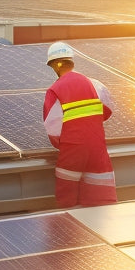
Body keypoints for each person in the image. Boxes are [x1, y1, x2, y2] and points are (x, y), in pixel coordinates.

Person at [42, 41, 117, 207]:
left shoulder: (55, 90)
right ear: (72, 61)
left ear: (55, 65)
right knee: (100, 199)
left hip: (72, 150)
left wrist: (67, 143)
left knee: (67, 199)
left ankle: (69, 232)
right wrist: (90, 127)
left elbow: (53, 128)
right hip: (97, 147)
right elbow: (108, 110)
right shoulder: (95, 84)